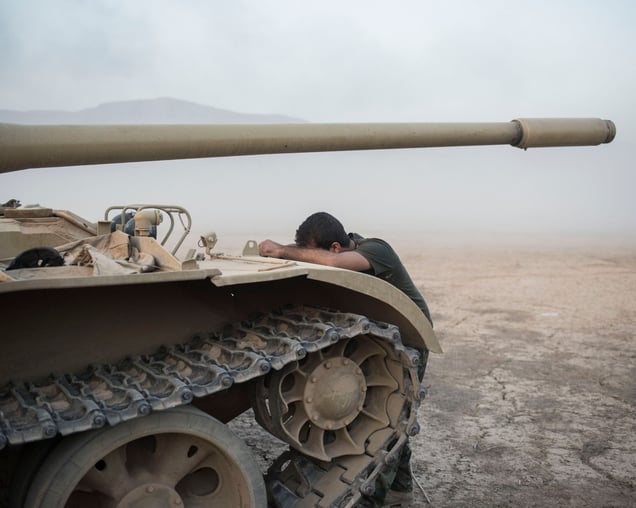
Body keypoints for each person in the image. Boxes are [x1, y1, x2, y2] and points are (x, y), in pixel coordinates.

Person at [259, 211, 432, 507]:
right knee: (390, 417)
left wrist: (283, 251)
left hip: (408, 341)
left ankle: (375, 498)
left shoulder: (377, 249)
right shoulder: (342, 248)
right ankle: (401, 489)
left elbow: (334, 263)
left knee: (388, 419)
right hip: (378, 338)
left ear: (336, 246)